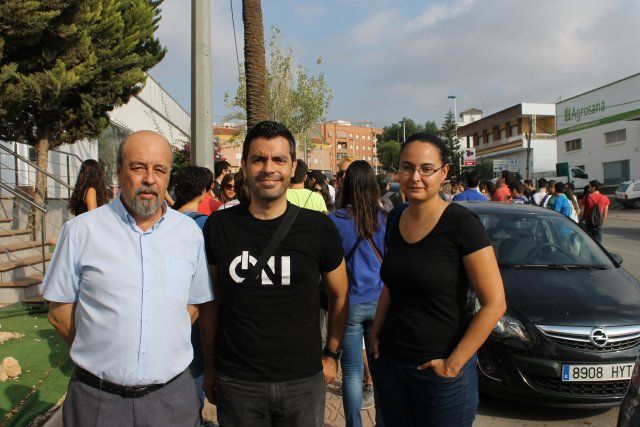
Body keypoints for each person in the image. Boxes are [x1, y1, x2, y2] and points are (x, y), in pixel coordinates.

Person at [44, 131, 213, 426]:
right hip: (97, 402)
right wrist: (103, 349)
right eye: (138, 167)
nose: (149, 178)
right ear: (119, 171)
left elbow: (193, 304)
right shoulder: (81, 231)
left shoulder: (188, 234)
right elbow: (59, 313)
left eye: (159, 169)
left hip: (172, 401)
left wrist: (159, 343)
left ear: (168, 175)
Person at [199, 121, 349, 426]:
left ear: (292, 166)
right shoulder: (219, 226)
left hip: (303, 381)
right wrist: (211, 367)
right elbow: (210, 303)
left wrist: (331, 352)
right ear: (244, 165)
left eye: (279, 159)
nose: (269, 168)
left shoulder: (319, 227)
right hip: (238, 382)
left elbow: (340, 293)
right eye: (258, 159)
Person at [370, 132, 506, 427]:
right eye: (407, 167)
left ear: (444, 172)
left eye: (426, 169)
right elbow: (393, 284)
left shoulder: (462, 224)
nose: (415, 177)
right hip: (391, 365)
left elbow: (495, 304)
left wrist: (453, 365)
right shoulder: (396, 218)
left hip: (440, 375)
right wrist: (376, 333)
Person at [329, 161, 386, 427]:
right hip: (381, 303)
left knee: (351, 374)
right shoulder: (385, 218)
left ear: (346, 184)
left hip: (348, 304)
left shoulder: (336, 220)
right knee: (381, 372)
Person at [171, 166, 212, 412]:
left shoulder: (163, 221)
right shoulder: (205, 224)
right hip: (195, 307)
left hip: (168, 305)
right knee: (196, 366)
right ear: (203, 191)